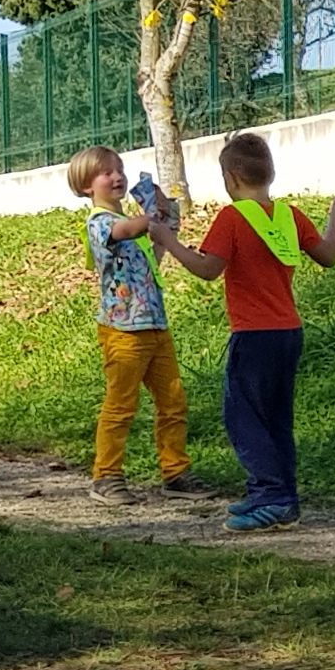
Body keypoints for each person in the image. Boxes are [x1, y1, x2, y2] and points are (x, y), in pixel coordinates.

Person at [166, 132, 335, 534]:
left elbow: (207, 269)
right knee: (276, 419)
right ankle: (283, 498)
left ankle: (270, 495)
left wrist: (169, 242)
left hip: (252, 335)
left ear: (232, 179)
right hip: (289, 332)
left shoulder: (232, 218)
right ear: (270, 173)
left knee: (244, 417)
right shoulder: (290, 215)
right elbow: (329, 256)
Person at [69, 146, 216, 505]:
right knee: (121, 405)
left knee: (173, 401)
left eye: (119, 169)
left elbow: (156, 250)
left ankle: (175, 472)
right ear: (87, 186)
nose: (117, 176)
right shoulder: (100, 224)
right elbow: (127, 228)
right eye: (106, 173)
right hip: (122, 332)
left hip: (155, 326)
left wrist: (166, 219)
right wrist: (150, 219)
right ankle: (106, 476)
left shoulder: (135, 228)